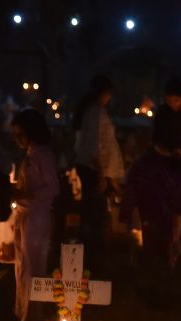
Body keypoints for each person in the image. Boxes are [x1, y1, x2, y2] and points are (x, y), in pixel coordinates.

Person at [120, 106, 181, 274]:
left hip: (161, 238)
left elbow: (128, 204)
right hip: (154, 235)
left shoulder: (143, 166)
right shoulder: (169, 169)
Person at [9, 109, 59, 321]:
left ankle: (31, 320)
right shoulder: (30, 154)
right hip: (24, 215)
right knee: (21, 268)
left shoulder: (42, 156)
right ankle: (21, 316)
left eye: (21, 134)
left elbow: (53, 188)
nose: (17, 139)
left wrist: (26, 197)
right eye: (15, 134)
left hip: (36, 217)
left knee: (32, 268)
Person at [73, 75, 123, 267]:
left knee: (95, 211)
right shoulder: (95, 112)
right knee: (96, 213)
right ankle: (95, 258)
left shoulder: (94, 112)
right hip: (93, 170)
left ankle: (93, 255)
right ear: (104, 93)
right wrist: (102, 175)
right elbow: (94, 146)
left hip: (94, 170)